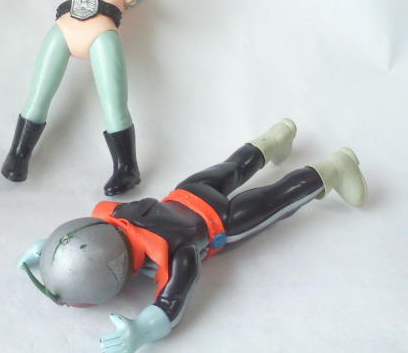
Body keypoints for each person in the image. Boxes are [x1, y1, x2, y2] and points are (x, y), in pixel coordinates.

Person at [18, 119, 367, 353]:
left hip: (223, 221)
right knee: (235, 165)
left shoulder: (177, 254)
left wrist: (143, 330)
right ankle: (276, 140)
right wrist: (50, 249)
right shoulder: (115, 214)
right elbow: (80, 234)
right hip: (189, 189)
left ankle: (336, 167)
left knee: (277, 198)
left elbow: (173, 303)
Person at [1, 0, 193, 195]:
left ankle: (127, 168)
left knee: (114, 104)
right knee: (38, 96)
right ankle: (17, 155)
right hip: (62, 31)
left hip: (102, 34)